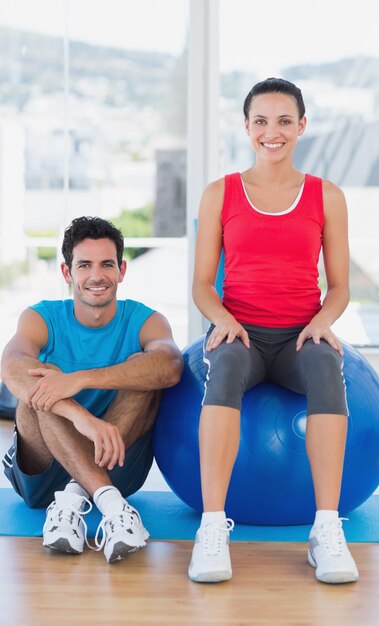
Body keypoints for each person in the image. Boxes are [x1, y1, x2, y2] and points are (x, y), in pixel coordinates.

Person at [189, 77, 358, 585]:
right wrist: (222, 319)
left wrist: (322, 324)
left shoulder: (327, 196)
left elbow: (342, 286)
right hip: (240, 333)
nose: (272, 131)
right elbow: (201, 285)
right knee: (222, 376)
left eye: (284, 121)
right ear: (246, 127)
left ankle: (326, 530)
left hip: (299, 337)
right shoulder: (220, 193)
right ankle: (212, 528)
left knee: (328, 369)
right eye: (261, 121)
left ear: (302, 126)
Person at [1, 216, 183, 563]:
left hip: (113, 456)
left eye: (106, 264)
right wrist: (79, 415)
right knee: (41, 384)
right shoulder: (41, 317)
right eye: (84, 265)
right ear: (67, 273)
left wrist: (81, 378)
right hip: (45, 468)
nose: (96, 275)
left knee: (143, 372)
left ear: (122, 270)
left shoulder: (146, 320)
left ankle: (72, 501)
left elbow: (171, 366)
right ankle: (109, 504)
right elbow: (10, 367)